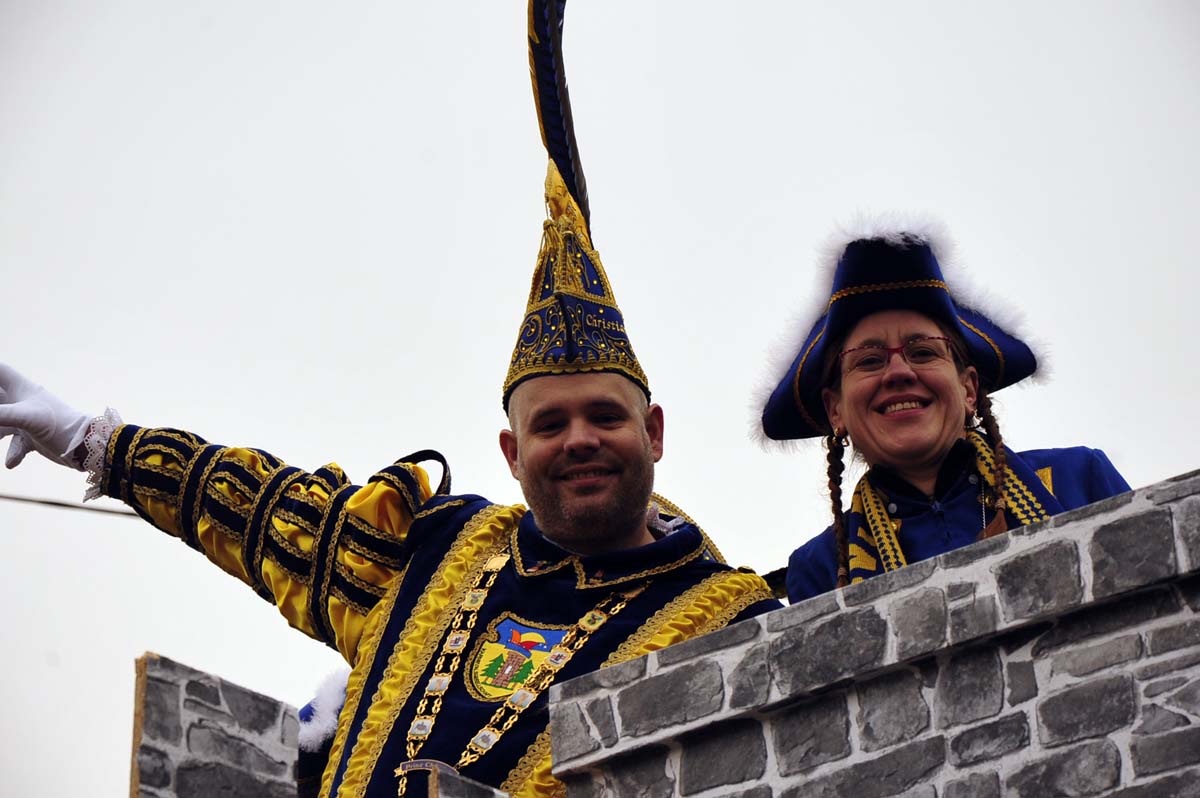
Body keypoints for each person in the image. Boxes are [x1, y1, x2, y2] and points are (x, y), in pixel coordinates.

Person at [0, 4, 778, 796]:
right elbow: (264, 510)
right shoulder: (438, 547)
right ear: (511, 455)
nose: (579, 438)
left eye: (605, 416)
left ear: (653, 432)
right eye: (550, 424)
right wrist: (87, 440)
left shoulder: (730, 624)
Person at [758, 219, 1130, 604]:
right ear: (835, 411)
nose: (899, 372)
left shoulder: (1079, 482)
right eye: (869, 361)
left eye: (923, 352)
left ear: (969, 389)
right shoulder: (820, 569)